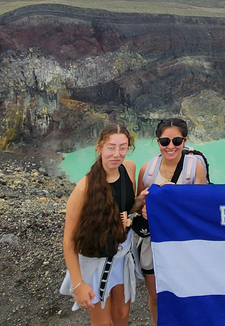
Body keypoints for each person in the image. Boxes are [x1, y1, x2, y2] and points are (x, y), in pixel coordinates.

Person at [61, 123, 146, 326]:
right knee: (102, 322)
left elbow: (123, 206)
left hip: (122, 256)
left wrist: (139, 202)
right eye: (111, 147)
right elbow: (69, 241)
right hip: (96, 261)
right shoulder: (85, 188)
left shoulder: (128, 168)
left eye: (123, 147)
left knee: (123, 314)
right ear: (99, 148)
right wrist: (78, 284)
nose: (117, 154)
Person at [136, 118, 208, 324]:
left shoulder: (194, 169)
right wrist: (143, 209)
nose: (170, 147)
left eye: (177, 141)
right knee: (156, 296)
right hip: (154, 241)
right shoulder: (147, 171)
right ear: (157, 141)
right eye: (164, 141)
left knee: (186, 291)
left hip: (183, 242)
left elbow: (202, 206)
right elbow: (136, 206)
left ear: (185, 141)